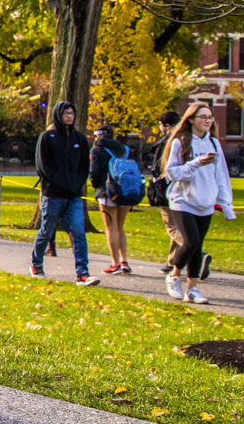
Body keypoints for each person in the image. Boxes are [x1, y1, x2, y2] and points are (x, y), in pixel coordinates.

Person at [161, 102, 236, 303]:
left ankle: (192, 289)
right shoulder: (181, 141)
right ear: (191, 119)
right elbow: (173, 172)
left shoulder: (213, 143)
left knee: (198, 245)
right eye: (203, 116)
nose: (207, 120)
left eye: (210, 117)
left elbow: (222, 175)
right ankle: (174, 275)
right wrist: (196, 163)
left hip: (206, 202)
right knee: (191, 241)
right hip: (182, 200)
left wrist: (226, 205)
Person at [29, 102, 100, 286]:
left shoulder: (80, 139)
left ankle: (82, 273)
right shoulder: (48, 137)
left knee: (78, 231)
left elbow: (84, 165)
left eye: (72, 113)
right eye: (66, 113)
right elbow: (43, 166)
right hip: (53, 195)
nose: (69, 116)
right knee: (46, 230)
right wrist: (57, 183)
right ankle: (36, 264)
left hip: (73, 196)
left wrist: (77, 184)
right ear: (58, 115)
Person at [89, 125, 138, 274]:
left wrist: (96, 186)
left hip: (108, 192)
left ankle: (114, 262)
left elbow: (94, 173)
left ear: (98, 136)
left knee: (111, 228)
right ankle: (124, 261)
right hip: (126, 191)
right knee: (120, 227)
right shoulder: (125, 149)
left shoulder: (97, 150)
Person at [147, 110, 191, 275]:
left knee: (171, 226)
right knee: (178, 224)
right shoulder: (186, 139)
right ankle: (172, 261)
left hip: (167, 189)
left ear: (166, 125)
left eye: (160, 125)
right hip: (184, 188)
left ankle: (195, 252)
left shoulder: (168, 142)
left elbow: (159, 167)